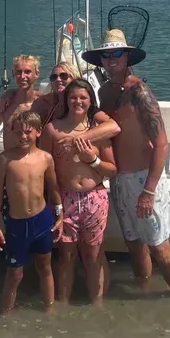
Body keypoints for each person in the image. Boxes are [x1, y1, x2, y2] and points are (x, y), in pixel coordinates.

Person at [84, 30, 170, 299]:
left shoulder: (139, 91)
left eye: (116, 53)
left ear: (127, 56)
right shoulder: (104, 92)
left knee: (159, 247)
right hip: (119, 181)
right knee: (134, 244)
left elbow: (161, 142)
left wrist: (150, 190)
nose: (111, 59)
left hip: (144, 181)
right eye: (105, 54)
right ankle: (144, 290)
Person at [41, 78, 117, 305]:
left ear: (90, 101)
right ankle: (62, 304)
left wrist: (92, 160)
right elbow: (45, 168)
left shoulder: (98, 133)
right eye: (73, 97)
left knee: (93, 256)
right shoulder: (52, 130)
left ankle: (97, 305)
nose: (78, 101)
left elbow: (112, 170)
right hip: (65, 199)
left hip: (95, 198)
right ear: (66, 99)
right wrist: (52, 202)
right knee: (66, 256)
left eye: (83, 97)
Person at [0, 110, 63, 314]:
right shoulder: (6, 159)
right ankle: (5, 315)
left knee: (45, 268)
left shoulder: (46, 158)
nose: (23, 136)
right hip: (17, 224)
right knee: (14, 274)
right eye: (18, 132)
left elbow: (54, 189)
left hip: (42, 221)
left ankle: (49, 313)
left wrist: (60, 215)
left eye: (28, 132)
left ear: (38, 132)